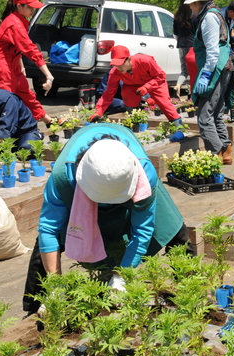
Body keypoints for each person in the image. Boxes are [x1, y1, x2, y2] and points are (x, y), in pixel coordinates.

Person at [23, 123, 194, 315]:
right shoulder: (62, 176)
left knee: (173, 228)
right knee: (46, 243)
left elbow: (143, 230)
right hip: (76, 188)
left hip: (135, 181)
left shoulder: (145, 174)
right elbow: (48, 229)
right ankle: (32, 309)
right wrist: (56, 286)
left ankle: (193, 296)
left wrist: (122, 276)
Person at [0, 0, 56, 127]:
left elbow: (16, 48)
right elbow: (30, 49)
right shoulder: (15, 24)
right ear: (19, 6)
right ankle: (3, 135)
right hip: (2, 67)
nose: (32, 10)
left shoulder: (17, 20)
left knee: (27, 94)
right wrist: (48, 75)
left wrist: (21, 67)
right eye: (30, 7)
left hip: (12, 65)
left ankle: (48, 121)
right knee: (6, 103)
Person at [186, 0, 234, 165]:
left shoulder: (209, 18)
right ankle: (226, 152)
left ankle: (215, 155)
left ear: (199, 3)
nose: (190, 8)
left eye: (191, 4)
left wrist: (206, 74)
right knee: (216, 114)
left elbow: (212, 50)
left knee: (205, 116)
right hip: (224, 67)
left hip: (215, 69)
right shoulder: (218, 13)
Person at [90, 46, 182, 126]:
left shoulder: (145, 60)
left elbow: (161, 76)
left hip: (155, 83)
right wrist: (98, 112)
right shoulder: (114, 72)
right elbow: (108, 94)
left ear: (129, 59)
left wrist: (147, 87)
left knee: (165, 104)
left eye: (121, 64)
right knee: (126, 93)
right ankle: (133, 122)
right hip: (132, 85)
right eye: (116, 65)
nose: (119, 68)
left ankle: (178, 128)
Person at [173, 0, 196, 96]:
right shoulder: (194, 16)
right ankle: (192, 92)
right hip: (193, 46)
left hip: (181, 45)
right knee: (195, 70)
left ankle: (178, 85)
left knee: (184, 70)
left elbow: (175, 34)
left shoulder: (177, 16)